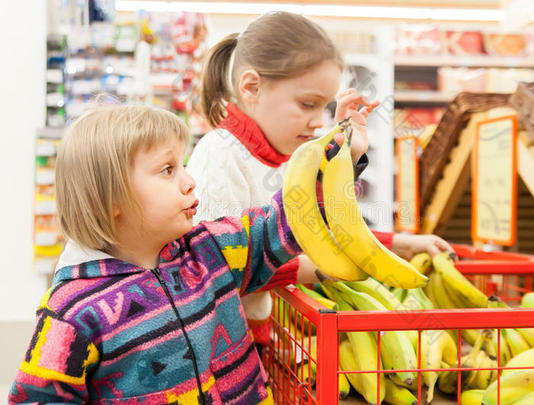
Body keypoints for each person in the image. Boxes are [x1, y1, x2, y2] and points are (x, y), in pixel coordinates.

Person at [186, 11, 453, 350]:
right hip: (220, 354)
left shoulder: (280, 155)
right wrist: (329, 269)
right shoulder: (221, 155)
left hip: (255, 339)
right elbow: (220, 268)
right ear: (251, 87)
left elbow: (320, 231)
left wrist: (401, 242)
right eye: (307, 104)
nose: (317, 122)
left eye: (323, 107)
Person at [8, 105, 303, 404]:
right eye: (168, 170)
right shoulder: (72, 312)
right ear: (111, 200)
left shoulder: (211, 250)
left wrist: (340, 153)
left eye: (183, 165)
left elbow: (280, 222)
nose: (190, 182)